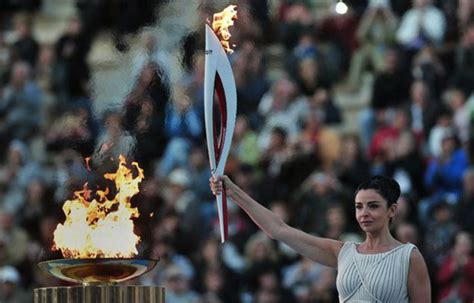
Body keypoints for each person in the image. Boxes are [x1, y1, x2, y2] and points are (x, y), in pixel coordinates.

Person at [210, 174, 431, 301]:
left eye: (373, 206)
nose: (364, 213)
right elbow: (278, 229)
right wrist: (233, 192)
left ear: (392, 210)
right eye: (359, 207)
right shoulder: (343, 252)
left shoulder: (408, 256)